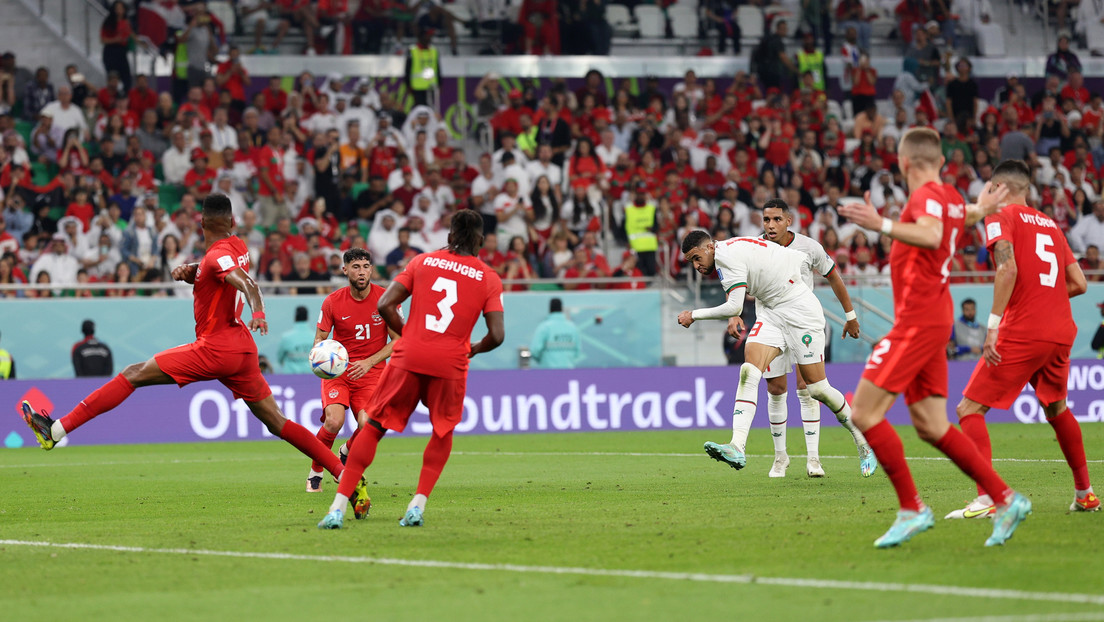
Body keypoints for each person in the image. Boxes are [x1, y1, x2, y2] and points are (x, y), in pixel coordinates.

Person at [21, 195, 368, 514]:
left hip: (214, 347)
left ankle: (57, 430)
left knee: (132, 374)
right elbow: (218, 266)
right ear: (231, 220)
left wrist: (258, 310)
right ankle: (345, 477)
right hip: (242, 348)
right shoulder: (235, 245)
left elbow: (246, 283)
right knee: (278, 422)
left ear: (200, 223)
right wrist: (192, 271)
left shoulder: (218, 256)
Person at [837, 127, 1031, 548]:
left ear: (903, 162)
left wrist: (880, 223)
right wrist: (983, 207)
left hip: (918, 320)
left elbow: (930, 234)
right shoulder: (949, 198)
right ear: (941, 161)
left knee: (865, 414)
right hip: (935, 317)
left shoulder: (924, 199)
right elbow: (964, 218)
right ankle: (1005, 498)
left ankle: (912, 509)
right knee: (930, 424)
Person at [317, 209, 504, 529]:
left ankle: (336, 508)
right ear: (481, 241)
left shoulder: (422, 262)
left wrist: (412, 336)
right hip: (451, 361)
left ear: (448, 238)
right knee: (442, 431)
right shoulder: (488, 277)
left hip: (409, 355)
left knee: (373, 427)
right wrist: (472, 349)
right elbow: (498, 336)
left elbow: (385, 305)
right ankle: (417, 504)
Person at [947, 160, 1098, 519]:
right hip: (1060, 332)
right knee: (1056, 408)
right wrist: (1044, 298)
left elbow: (1007, 267)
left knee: (969, 409)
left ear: (998, 189)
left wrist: (994, 325)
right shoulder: (1052, 224)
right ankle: (1086, 494)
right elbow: (1079, 284)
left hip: (1023, 330)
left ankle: (987, 499)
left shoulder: (1000, 216)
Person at [677, 230, 868, 481]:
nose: (696, 265)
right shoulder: (725, 252)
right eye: (691, 261)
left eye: (696, 257)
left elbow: (735, 306)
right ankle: (737, 446)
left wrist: (694, 315)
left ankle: (863, 440)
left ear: (709, 247)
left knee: (818, 389)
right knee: (749, 370)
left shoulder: (726, 257)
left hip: (800, 309)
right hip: (770, 312)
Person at [743, 199, 874, 479]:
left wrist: (850, 315)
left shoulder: (809, 247)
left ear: (789, 220)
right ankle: (780, 458)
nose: (770, 225)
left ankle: (813, 459)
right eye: (766, 220)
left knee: (809, 387)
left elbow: (834, 277)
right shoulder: (755, 247)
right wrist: (733, 314)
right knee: (776, 389)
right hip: (771, 325)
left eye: (776, 219)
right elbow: (739, 281)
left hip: (803, 324)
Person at [306, 248, 398, 494]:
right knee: (334, 421)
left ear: (371, 270)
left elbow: (399, 339)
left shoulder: (386, 299)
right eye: (355, 267)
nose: (361, 272)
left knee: (369, 426)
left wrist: (369, 362)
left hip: (372, 373)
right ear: (345, 270)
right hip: (339, 373)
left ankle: (346, 451)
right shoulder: (332, 301)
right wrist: (320, 355)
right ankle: (316, 471)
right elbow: (320, 338)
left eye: (366, 266)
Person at [530, 297, 581, 369]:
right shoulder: (573, 327)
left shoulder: (544, 327)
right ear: (561, 309)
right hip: (568, 372)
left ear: (550, 309)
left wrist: (542, 361)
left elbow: (535, 350)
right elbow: (577, 352)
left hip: (548, 373)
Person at [405, 28, 439, 109]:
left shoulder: (434, 50)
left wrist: (439, 83)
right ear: (421, 36)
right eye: (427, 36)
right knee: (419, 109)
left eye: (430, 36)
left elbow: (438, 68)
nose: (429, 38)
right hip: (417, 86)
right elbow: (407, 69)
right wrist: (408, 85)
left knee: (431, 109)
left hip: (431, 85)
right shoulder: (412, 50)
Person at [277, 306, 316, 374]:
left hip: (290, 377)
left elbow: (280, 358)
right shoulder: (315, 337)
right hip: (312, 377)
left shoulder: (286, 338)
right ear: (307, 318)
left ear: (295, 318)